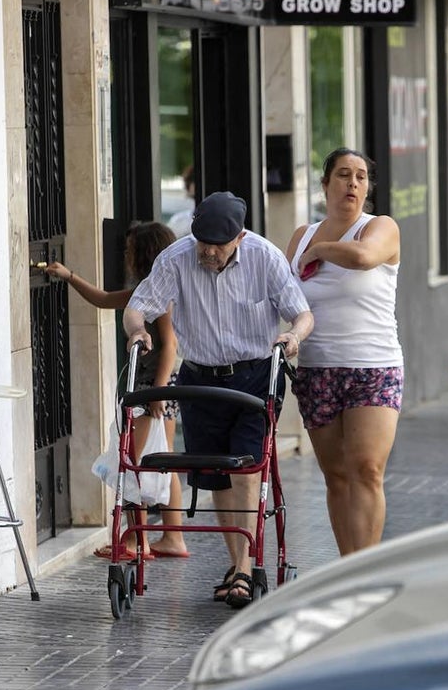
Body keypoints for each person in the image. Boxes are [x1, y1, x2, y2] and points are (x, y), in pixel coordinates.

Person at [123, 191, 313, 608]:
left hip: (254, 377)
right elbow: (137, 306)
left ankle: (244, 570)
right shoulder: (177, 257)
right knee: (215, 474)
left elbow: (302, 313)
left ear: (239, 237)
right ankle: (238, 564)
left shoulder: (264, 257)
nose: (207, 251)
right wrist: (138, 330)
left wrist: (293, 336)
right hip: (201, 378)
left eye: (217, 244)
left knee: (245, 469)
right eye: (202, 241)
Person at [44, 221, 190, 561]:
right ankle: (173, 536)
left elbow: (169, 345)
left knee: (131, 464)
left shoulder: (160, 295)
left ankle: (135, 541)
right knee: (162, 461)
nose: (125, 256)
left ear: (143, 254)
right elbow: (106, 299)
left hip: (153, 390)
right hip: (161, 389)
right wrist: (69, 276)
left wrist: (156, 393)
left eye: (129, 251)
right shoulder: (147, 290)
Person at [286, 148, 403, 557]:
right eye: (342, 175)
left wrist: (321, 251)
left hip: (374, 366)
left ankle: (365, 570)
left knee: (367, 470)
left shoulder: (380, 228)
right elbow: (282, 296)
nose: (352, 183)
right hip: (317, 368)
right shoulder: (301, 236)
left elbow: (363, 257)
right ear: (325, 184)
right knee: (336, 476)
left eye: (360, 177)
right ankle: (346, 566)